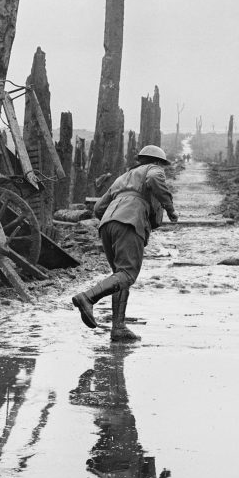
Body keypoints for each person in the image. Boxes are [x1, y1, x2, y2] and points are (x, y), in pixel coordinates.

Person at [71, 144, 178, 342]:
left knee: (120, 276)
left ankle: (118, 328)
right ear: (156, 161)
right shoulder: (153, 170)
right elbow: (155, 179)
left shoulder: (122, 178)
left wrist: (115, 217)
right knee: (128, 274)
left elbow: (98, 208)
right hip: (130, 221)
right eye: (162, 164)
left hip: (107, 225)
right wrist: (170, 210)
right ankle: (88, 298)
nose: (162, 168)